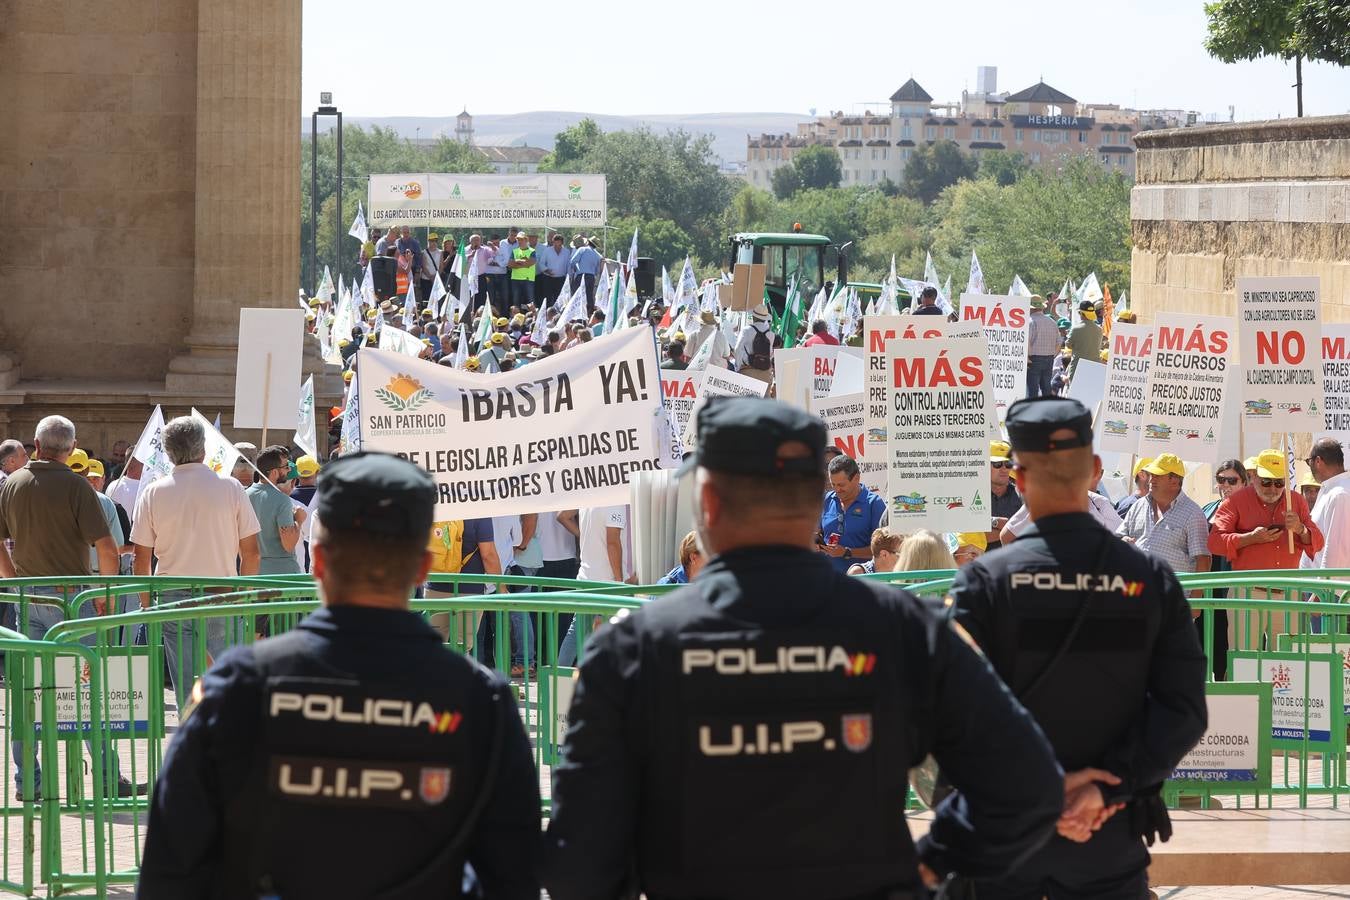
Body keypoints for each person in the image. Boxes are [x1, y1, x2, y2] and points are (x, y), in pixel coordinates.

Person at [543, 396, 1062, 900]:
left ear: (707, 503)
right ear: (817, 502)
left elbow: (579, 865)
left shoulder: (630, 650)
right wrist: (929, 866)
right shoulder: (905, 628)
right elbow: (1029, 784)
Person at [136, 453, 540, 899]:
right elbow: (513, 875)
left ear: (317, 561)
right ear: (423, 568)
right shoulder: (481, 700)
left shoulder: (237, 688)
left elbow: (169, 871)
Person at [951, 395, 1208, 900]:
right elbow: (1183, 711)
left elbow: (949, 712)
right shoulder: (1150, 579)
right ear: (1093, 471)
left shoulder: (984, 582)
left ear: (1020, 480)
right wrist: (1104, 789)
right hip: (1107, 833)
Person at [0, 415, 129, 801]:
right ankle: (106, 778)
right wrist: (104, 593)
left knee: (26, 695)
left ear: (36, 446)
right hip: (73, 599)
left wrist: (13, 580)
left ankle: (29, 783)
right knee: (88, 692)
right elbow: (107, 549)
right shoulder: (77, 486)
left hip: (29, 598)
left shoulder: (11, 485)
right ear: (70, 449)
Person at [130, 417, 262, 710]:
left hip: (173, 594)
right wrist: (243, 596)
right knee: (231, 677)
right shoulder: (231, 488)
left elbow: (141, 557)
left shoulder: (152, 492)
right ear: (203, 449)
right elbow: (251, 553)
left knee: (186, 683)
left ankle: (192, 741)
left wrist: (145, 602)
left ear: (168, 452)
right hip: (222, 592)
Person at [1208, 449, 1322, 572]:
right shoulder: (1235, 501)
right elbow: (1215, 542)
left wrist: (1301, 529)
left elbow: (1318, 542)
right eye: (1266, 482)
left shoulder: (1297, 501)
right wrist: (1250, 538)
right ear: (1255, 477)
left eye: (1279, 483)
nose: (1272, 489)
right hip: (1248, 587)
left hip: (1288, 587)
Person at [1116, 454, 1212, 576]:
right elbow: (1118, 537)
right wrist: (1123, 540)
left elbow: (1203, 560)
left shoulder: (1193, 513)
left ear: (1175, 480)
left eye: (1157, 475)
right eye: (1151, 475)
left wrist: (1194, 595)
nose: (1151, 480)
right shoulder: (1138, 505)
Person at [1201, 459, 1246, 681]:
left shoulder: (1250, 511)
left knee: (1231, 647)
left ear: (1244, 483)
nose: (1226, 485)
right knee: (1205, 643)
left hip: (1234, 589)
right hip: (1207, 589)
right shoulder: (1207, 509)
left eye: (1232, 480)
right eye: (1221, 480)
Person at [818, 455, 886, 573]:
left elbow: (882, 551)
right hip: (828, 578)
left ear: (856, 478)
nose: (837, 489)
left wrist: (847, 552)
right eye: (833, 484)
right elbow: (818, 533)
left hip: (861, 581)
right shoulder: (826, 500)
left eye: (841, 485)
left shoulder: (874, 504)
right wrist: (817, 545)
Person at [246, 446, 305, 576]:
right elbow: (288, 545)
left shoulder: (244, 496)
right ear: (274, 472)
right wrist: (299, 521)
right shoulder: (282, 500)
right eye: (285, 467)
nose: (289, 469)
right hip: (282, 578)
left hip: (253, 574)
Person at [1304, 438, 1350, 570]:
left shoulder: (1340, 494)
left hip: (1326, 588)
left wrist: (1324, 587)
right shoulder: (1330, 489)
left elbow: (1336, 550)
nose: (1310, 466)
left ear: (1318, 461)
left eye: (1309, 462)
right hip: (1317, 585)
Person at [987, 440, 1022, 550]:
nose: (1004, 469)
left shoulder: (1022, 496)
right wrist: (997, 522)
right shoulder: (971, 494)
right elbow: (974, 535)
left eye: (1008, 464)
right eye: (997, 464)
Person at [1026, 295, 1059, 398]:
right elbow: (1059, 342)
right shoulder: (1052, 322)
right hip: (1049, 358)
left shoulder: (1030, 321)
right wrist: (1053, 355)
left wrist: (1027, 357)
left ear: (1031, 308)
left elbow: (1027, 341)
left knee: (1033, 390)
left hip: (1033, 359)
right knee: (1046, 388)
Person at [734, 303, 775, 383]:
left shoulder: (746, 330)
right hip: (765, 373)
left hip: (747, 370)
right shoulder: (771, 334)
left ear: (753, 317)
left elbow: (737, 349)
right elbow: (770, 353)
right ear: (765, 319)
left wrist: (738, 367)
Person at [1066, 301, 1102, 382]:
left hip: (1078, 367)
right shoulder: (1099, 329)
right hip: (1095, 367)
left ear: (1081, 313)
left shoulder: (1076, 329)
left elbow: (1068, 345)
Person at [568, 237, 602, 310]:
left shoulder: (582, 249)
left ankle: (577, 312)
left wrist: (574, 270)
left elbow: (573, 261)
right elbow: (597, 271)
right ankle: (589, 312)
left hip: (581, 276)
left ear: (588, 242)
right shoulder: (597, 255)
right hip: (591, 277)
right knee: (589, 296)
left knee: (577, 295)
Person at [537, 233, 572, 304]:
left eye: (559, 245)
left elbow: (569, 265)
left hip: (561, 279)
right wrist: (546, 270)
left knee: (559, 299)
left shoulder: (567, 252)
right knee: (548, 299)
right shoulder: (547, 251)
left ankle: (558, 314)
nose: (557, 247)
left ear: (562, 243)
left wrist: (569, 277)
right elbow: (541, 263)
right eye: (555, 245)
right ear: (553, 243)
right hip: (548, 278)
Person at [508, 231, 537, 308]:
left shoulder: (532, 251)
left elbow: (530, 263)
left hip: (528, 280)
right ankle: (517, 318)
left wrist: (517, 262)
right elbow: (510, 264)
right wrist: (523, 262)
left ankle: (532, 318)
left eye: (521, 239)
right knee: (516, 303)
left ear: (526, 240)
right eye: (518, 239)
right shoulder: (514, 251)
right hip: (515, 279)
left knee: (530, 302)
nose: (519, 241)